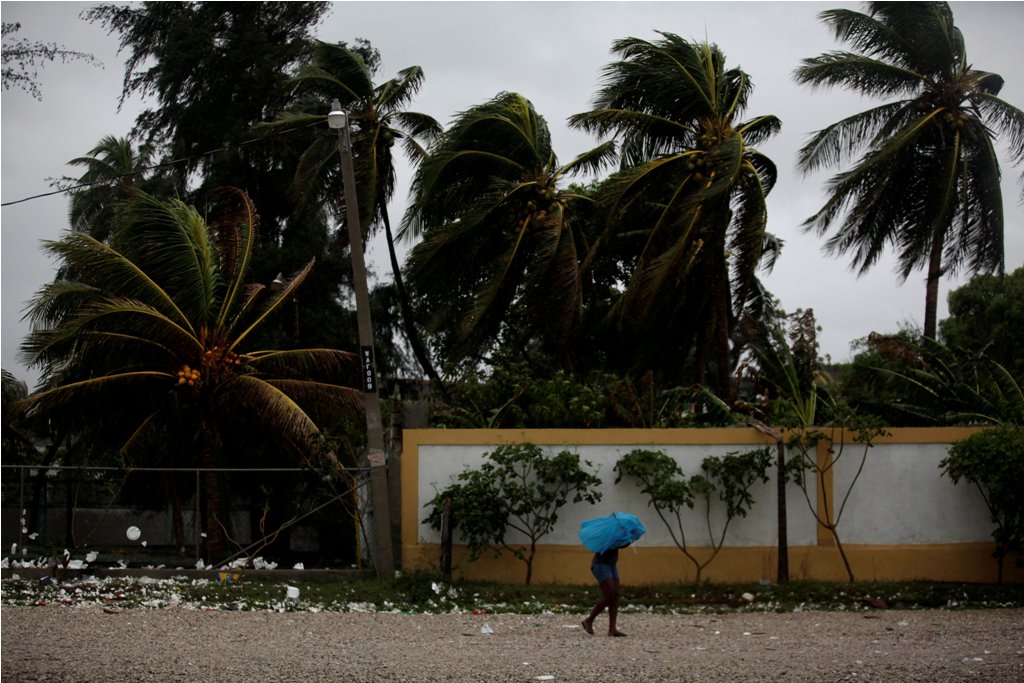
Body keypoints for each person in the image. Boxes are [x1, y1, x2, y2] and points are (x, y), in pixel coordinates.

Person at [581, 543, 627, 637]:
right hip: (601, 565)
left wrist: (628, 540)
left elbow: (621, 545)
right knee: (609, 595)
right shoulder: (606, 536)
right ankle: (589, 620)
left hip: (611, 565)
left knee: (615, 595)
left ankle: (612, 629)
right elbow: (610, 545)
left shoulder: (616, 534)